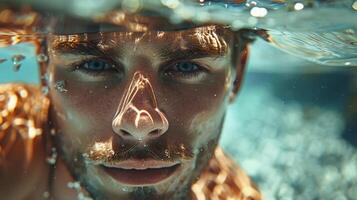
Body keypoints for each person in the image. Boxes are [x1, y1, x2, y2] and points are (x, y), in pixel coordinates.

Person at [0, 10, 262, 200]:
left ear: (236, 75)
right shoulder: (9, 142)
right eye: (96, 65)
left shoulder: (230, 194)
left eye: (186, 67)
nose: (140, 126)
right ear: (44, 67)